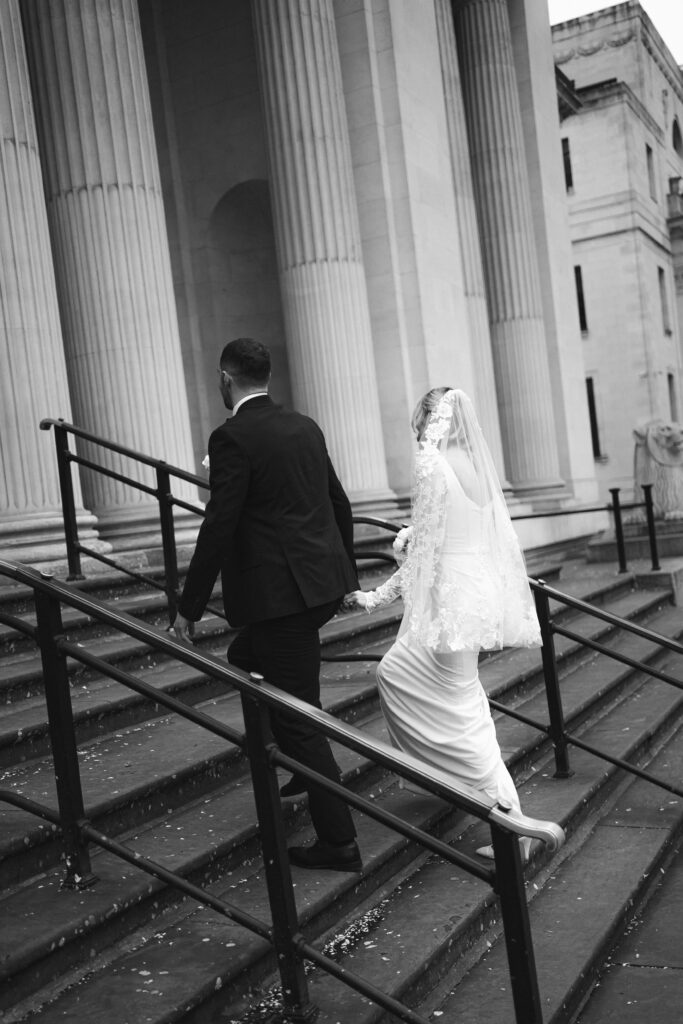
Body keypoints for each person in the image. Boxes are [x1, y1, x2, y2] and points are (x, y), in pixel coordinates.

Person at [173, 338, 361, 872]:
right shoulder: (305, 426)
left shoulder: (232, 437)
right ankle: (304, 767)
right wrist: (344, 573)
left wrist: (189, 606)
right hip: (316, 589)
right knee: (245, 657)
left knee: (299, 716)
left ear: (225, 379)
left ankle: (339, 842)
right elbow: (338, 501)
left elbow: (220, 523)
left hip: (281, 599)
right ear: (266, 375)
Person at [345, 387, 542, 861]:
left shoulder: (433, 463)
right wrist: (411, 537)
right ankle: (456, 784)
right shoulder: (476, 465)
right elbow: (458, 532)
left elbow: (429, 551)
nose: (418, 430)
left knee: (461, 712)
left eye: (421, 420)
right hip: (471, 595)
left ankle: (512, 822)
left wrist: (375, 597)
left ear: (433, 420)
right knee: (402, 675)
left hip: (448, 603)